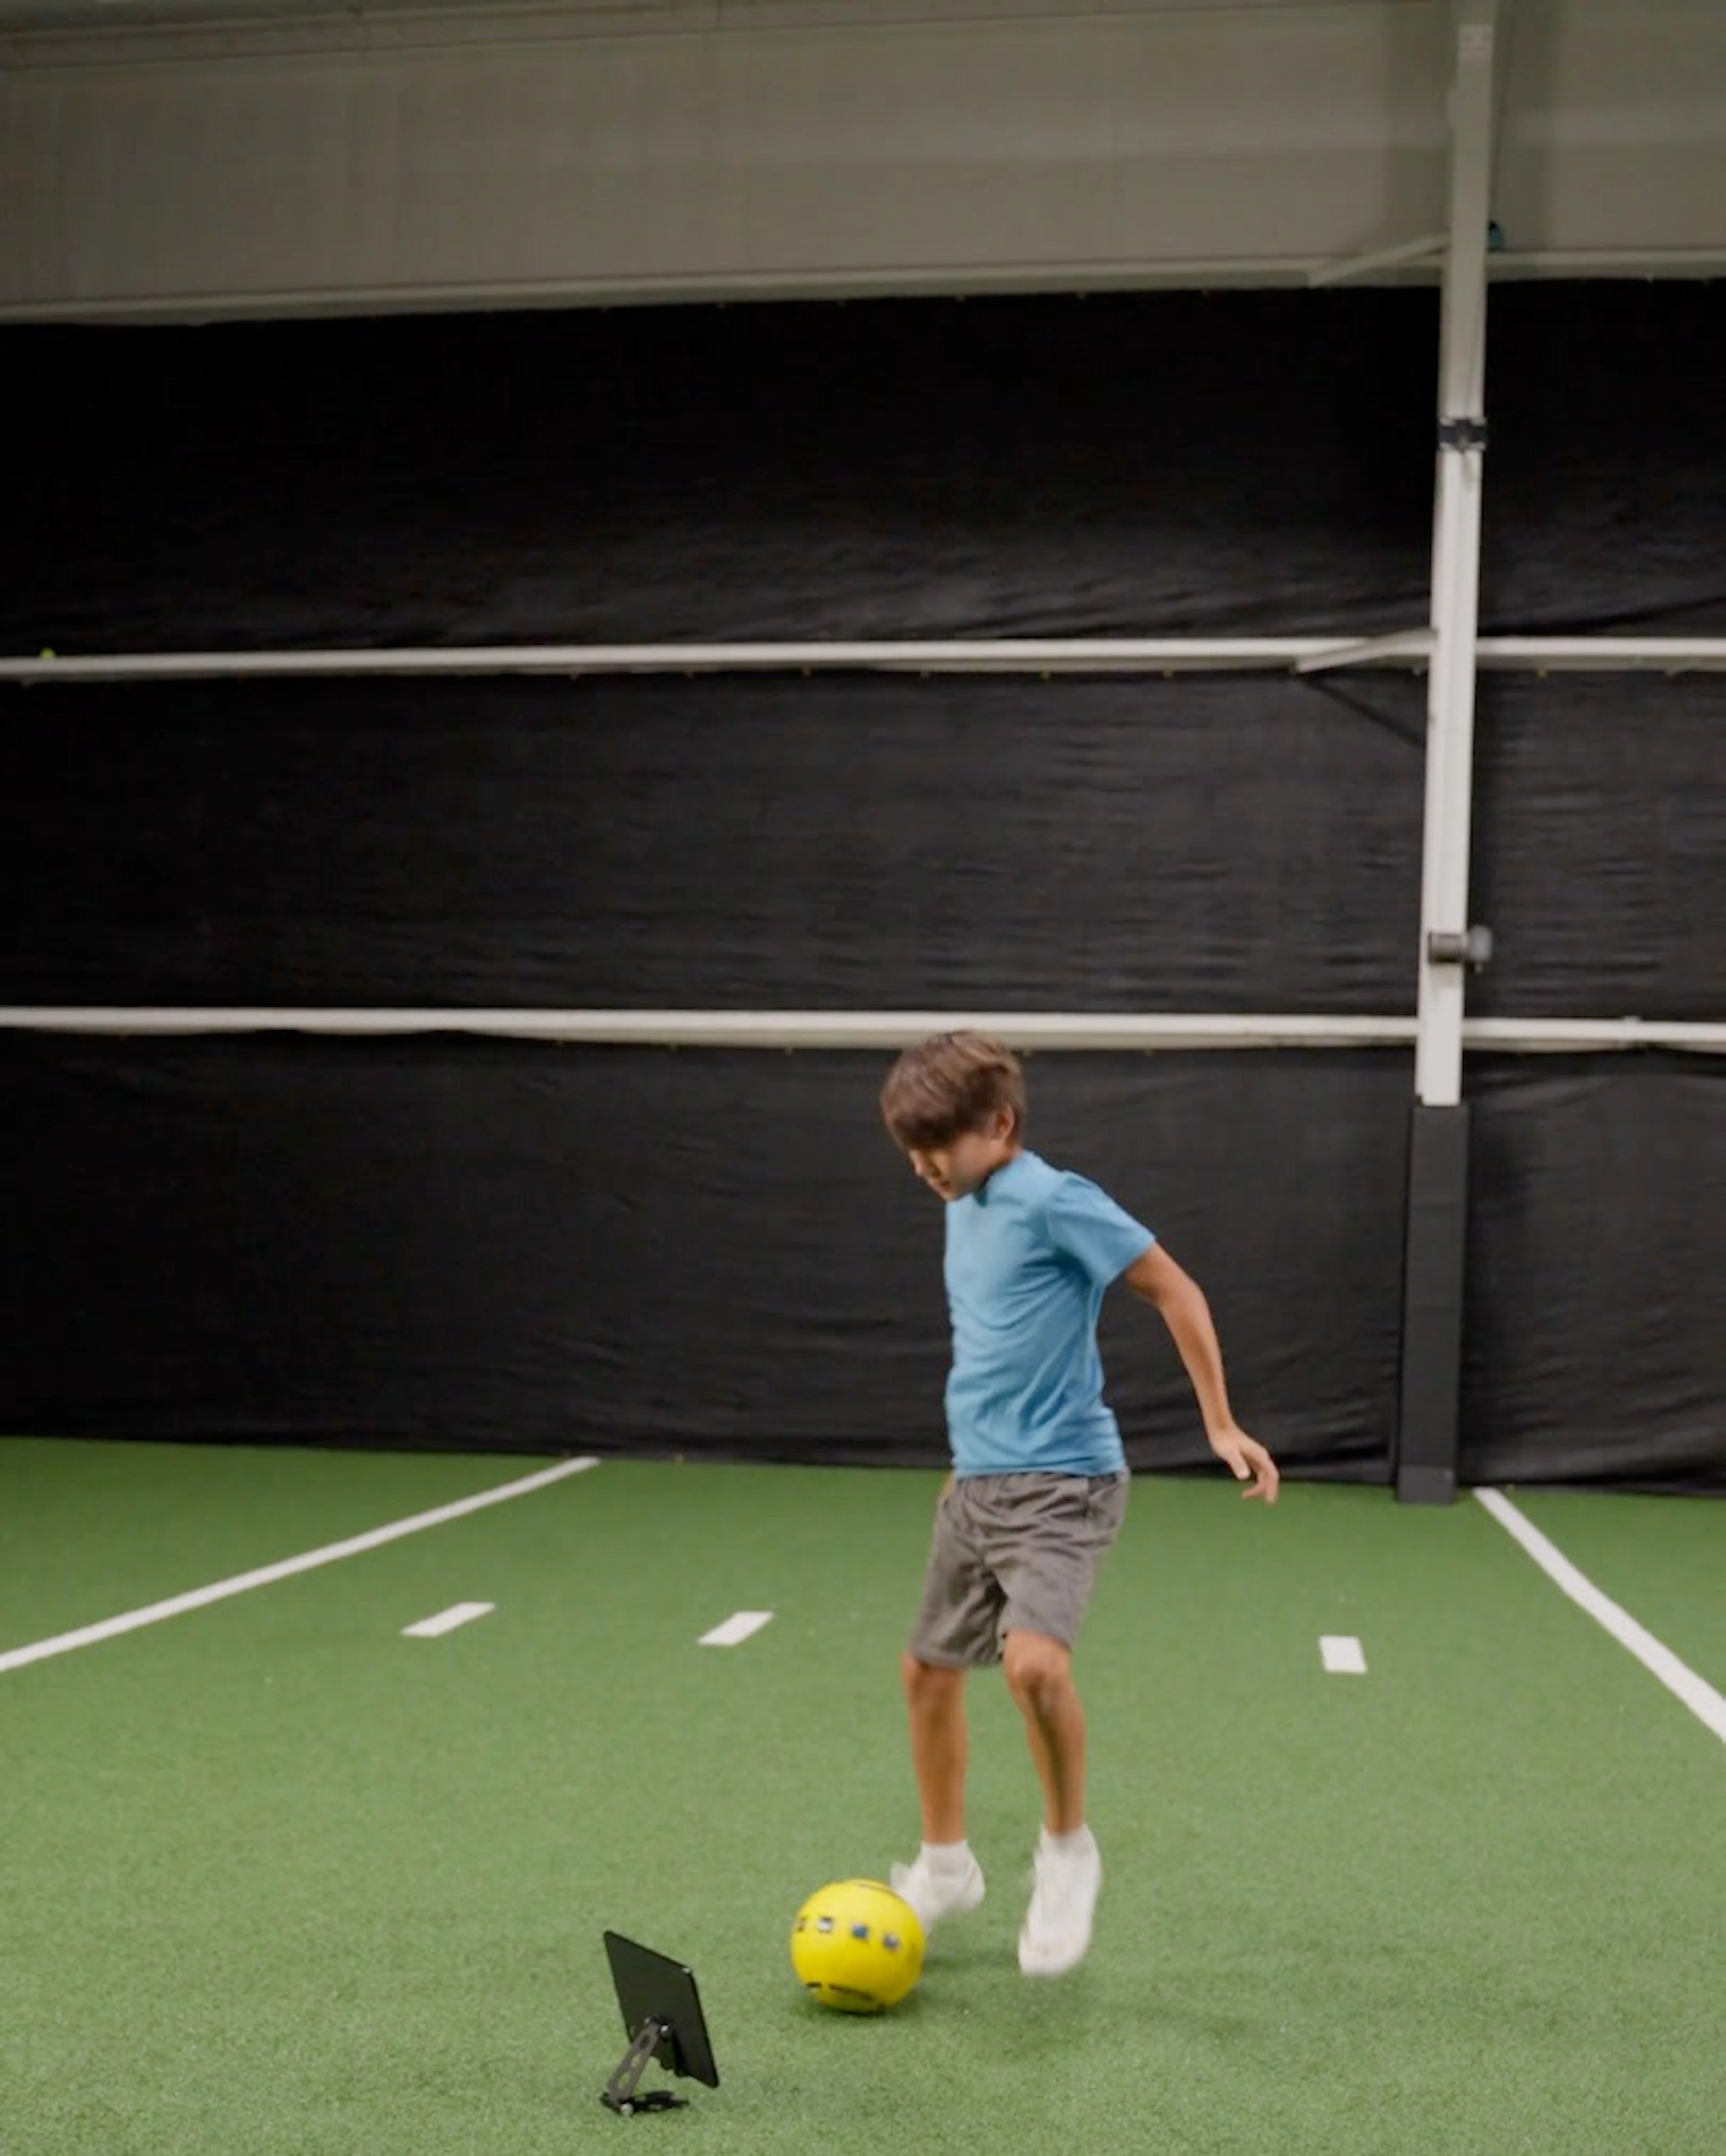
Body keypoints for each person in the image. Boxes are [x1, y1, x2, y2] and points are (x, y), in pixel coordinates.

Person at [878, 1029, 1278, 1977]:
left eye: (939, 1144)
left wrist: (1219, 1424)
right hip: (977, 1479)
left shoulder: (1056, 1198)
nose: (924, 1166)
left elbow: (1176, 1289)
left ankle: (1067, 1852)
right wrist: (964, 1461)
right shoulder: (961, 1199)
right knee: (927, 1674)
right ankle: (945, 1868)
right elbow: (989, 1344)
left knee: (1035, 1670)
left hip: (1065, 1482)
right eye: (910, 1148)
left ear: (1001, 1124)